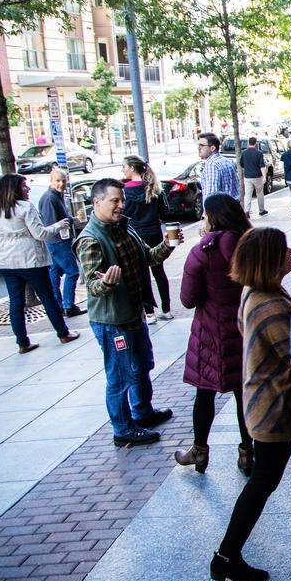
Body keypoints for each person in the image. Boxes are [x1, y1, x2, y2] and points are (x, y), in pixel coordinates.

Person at [210, 227, 291, 581]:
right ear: (268, 261)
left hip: (278, 404)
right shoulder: (269, 305)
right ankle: (225, 556)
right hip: (278, 409)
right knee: (265, 481)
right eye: (283, 249)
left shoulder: (256, 293)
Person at [74, 179, 177, 447]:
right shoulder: (90, 239)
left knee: (142, 365)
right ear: (97, 203)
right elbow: (92, 285)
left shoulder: (125, 227)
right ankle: (123, 429)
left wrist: (167, 244)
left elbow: (149, 257)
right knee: (119, 376)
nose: (121, 205)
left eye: (121, 200)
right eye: (114, 201)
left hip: (133, 312)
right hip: (112, 321)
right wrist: (106, 282)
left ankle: (142, 413)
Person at [174, 194, 254, 475]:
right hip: (245, 331)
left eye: (206, 216)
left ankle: (199, 452)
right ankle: (247, 453)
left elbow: (187, 299)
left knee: (204, 395)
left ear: (213, 218)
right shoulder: (250, 246)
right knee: (243, 395)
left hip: (211, 334)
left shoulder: (202, 252)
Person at [0, 174, 79, 354]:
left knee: (15, 302)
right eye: (24, 186)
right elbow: (40, 234)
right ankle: (63, 333)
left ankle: (22, 343)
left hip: (5, 262)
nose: (28, 189)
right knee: (47, 298)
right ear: (14, 188)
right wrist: (59, 225)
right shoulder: (25, 207)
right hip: (30, 260)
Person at [121, 156, 173, 325]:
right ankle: (167, 309)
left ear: (131, 168)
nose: (122, 170)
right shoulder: (153, 187)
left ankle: (149, 313)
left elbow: (124, 215)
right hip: (154, 232)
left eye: (124, 167)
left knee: (142, 274)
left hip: (137, 234)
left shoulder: (125, 191)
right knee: (159, 272)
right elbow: (165, 212)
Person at [37, 168, 85, 318]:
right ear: (51, 181)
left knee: (55, 274)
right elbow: (53, 224)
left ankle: (58, 306)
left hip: (57, 241)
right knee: (72, 272)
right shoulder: (50, 198)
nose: (61, 184)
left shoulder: (56, 196)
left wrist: (73, 220)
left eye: (63, 180)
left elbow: (62, 219)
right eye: (58, 180)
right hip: (58, 241)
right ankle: (68, 306)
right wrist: (70, 222)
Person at [198, 132, 240, 201]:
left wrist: (207, 211)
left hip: (219, 210)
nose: (198, 148)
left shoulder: (212, 165)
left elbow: (211, 196)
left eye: (201, 145)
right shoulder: (228, 161)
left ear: (212, 148)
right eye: (198, 145)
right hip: (233, 207)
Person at [241, 137, 268, 216]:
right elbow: (262, 166)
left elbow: (241, 164)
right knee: (259, 193)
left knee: (248, 194)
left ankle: (246, 211)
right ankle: (261, 210)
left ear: (248, 143)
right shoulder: (259, 153)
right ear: (255, 143)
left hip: (247, 177)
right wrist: (264, 176)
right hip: (257, 177)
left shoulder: (244, 153)